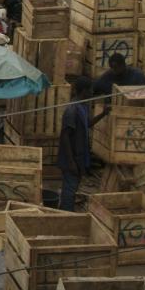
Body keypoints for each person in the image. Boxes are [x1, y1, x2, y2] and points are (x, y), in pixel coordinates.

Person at [57, 78, 94, 211]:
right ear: (84, 91)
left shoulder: (84, 106)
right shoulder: (72, 110)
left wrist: (104, 114)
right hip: (71, 157)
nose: (92, 92)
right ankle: (66, 216)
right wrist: (71, 161)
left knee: (73, 186)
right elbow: (65, 136)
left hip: (79, 156)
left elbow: (88, 124)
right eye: (90, 90)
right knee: (69, 189)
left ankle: (67, 212)